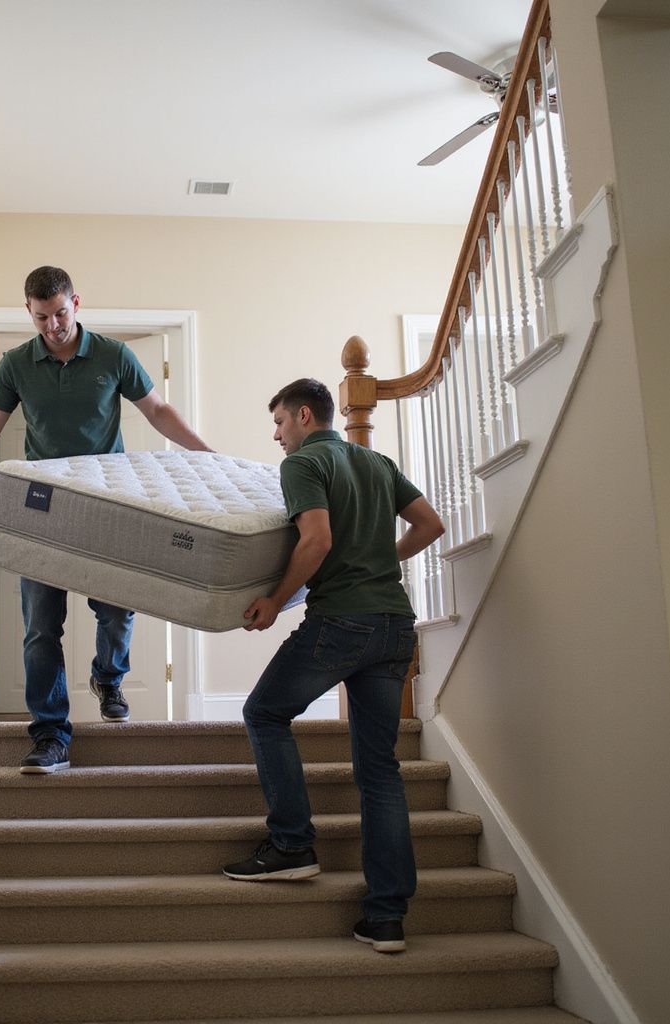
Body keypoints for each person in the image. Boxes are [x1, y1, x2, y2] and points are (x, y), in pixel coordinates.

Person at [0, 266, 210, 774]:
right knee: (41, 628)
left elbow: (158, 411)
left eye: (61, 313)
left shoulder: (113, 355)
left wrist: (208, 456)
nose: (53, 326)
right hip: (43, 510)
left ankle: (108, 676)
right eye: (42, 317)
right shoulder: (17, 364)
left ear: (76, 303)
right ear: (29, 312)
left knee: (118, 610)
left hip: (108, 503)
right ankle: (50, 736)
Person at [221, 377, 444, 955]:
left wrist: (273, 599)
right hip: (395, 625)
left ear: (302, 416)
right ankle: (386, 918)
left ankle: (292, 845)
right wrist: (376, 558)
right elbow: (430, 525)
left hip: (341, 622)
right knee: (380, 771)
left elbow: (315, 541)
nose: (276, 436)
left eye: (278, 424)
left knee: (264, 713)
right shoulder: (375, 461)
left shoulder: (303, 464)